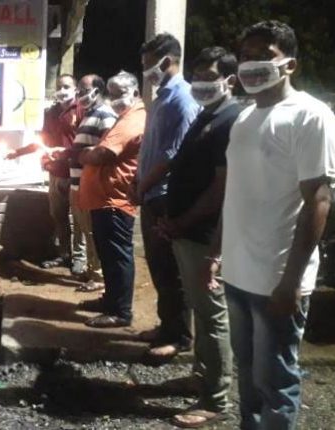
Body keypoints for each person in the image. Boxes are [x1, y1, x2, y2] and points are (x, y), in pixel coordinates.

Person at [220, 21, 335, 429]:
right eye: (245, 55)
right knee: (248, 376)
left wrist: (291, 281)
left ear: (290, 64)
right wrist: (218, 253)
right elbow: (236, 192)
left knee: (276, 382)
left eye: (263, 55)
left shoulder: (311, 116)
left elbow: (319, 200)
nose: (251, 63)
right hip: (237, 274)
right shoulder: (245, 117)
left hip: (276, 280)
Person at [160, 47, 242, 428]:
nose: (201, 83)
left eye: (210, 76)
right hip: (186, 230)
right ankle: (201, 375)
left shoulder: (231, 120)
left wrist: (184, 220)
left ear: (229, 79)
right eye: (197, 76)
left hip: (205, 235)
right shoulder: (207, 115)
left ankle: (216, 398)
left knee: (212, 316)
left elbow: (220, 188)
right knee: (199, 307)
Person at [135, 33, 201, 360]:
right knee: (159, 267)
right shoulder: (162, 97)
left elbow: (174, 155)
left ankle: (181, 337)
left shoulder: (183, 99)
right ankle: (166, 325)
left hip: (165, 196)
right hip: (152, 194)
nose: (147, 71)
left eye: (150, 64)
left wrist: (143, 185)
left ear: (167, 61)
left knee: (172, 270)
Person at [77, 71, 145, 328]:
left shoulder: (133, 120)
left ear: (135, 93)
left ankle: (120, 312)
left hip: (115, 200)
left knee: (117, 256)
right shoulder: (125, 117)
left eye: (120, 94)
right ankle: (111, 299)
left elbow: (102, 154)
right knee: (108, 254)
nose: (114, 99)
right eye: (112, 93)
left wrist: (81, 155)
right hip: (105, 199)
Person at [8, 74, 81, 271]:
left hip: (77, 174)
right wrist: (18, 152)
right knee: (59, 216)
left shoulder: (82, 110)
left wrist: (69, 154)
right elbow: (42, 141)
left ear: (75, 89)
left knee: (80, 220)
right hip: (55, 173)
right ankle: (64, 255)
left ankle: (80, 259)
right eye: (59, 87)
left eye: (66, 86)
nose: (62, 91)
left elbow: (88, 143)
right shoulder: (50, 113)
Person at [69, 74, 116, 285]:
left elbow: (106, 152)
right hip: (78, 184)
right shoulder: (89, 115)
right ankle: (92, 270)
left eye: (84, 90)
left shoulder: (105, 115)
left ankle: (98, 277)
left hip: (90, 185)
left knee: (93, 232)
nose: (80, 94)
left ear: (97, 90)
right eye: (78, 90)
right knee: (86, 230)